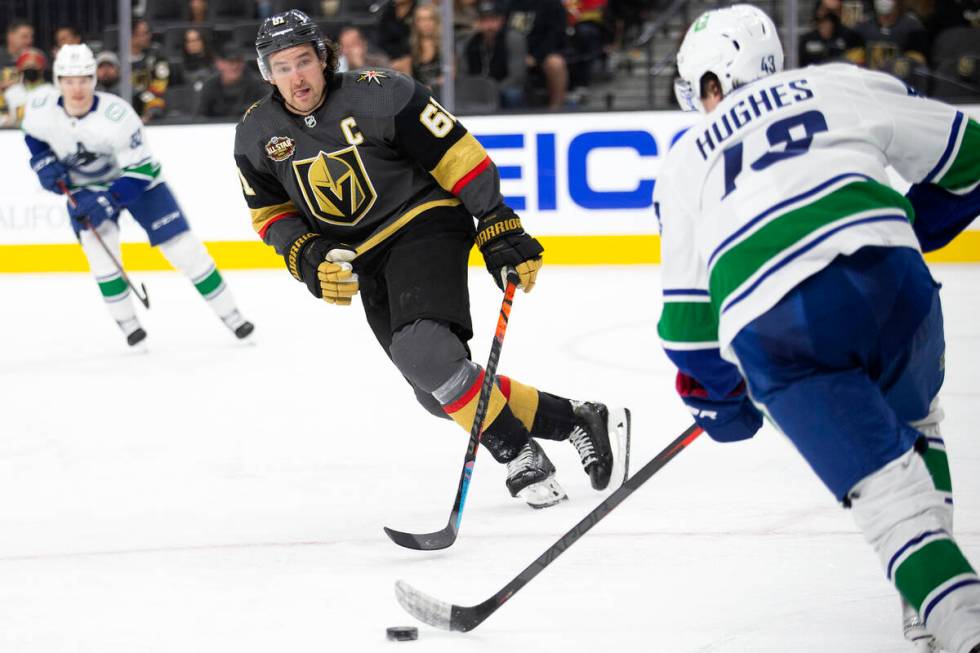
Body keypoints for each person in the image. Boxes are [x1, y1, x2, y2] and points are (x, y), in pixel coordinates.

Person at [659, 5, 980, 652]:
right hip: (896, 283)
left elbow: (689, 331)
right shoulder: (839, 81)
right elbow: (970, 157)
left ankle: (959, 620)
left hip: (782, 321)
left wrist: (725, 401)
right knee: (914, 422)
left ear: (713, 81)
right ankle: (925, 605)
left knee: (883, 486)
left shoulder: (686, 155)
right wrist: (909, 232)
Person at [233, 9, 630, 507]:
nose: (297, 76)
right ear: (268, 74)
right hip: (364, 258)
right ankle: (575, 418)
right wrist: (304, 251)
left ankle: (519, 454)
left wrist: (496, 222)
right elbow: (271, 211)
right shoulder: (255, 134)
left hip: (423, 222)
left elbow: (459, 155)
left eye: (304, 61)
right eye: (283, 67)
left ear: (324, 58)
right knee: (435, 389)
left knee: (424, 354)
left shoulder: (382, 92)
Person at [22, 44, 254, 347]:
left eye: (83, 79)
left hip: (137, 183)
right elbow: (34, 136)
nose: (76, 88)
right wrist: (42, 162)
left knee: (184, 249)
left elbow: (142, 169)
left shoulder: (117, 115)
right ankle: (129, 325)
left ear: (94, 78)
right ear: (58, 80)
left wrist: (110, 199)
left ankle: (233, 316)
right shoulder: (41, 107)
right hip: (84, 188)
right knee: (101, 255)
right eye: (68, 80)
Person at [459, 0, 527, 108]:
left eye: (493, 20)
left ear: (501, 21)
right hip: (476, 89)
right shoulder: (470, 41)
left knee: (513, 94)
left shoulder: (512, 39)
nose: (489, 25)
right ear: (478, 22)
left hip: (503, 87)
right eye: (485, 21)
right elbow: (463, 73)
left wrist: (492, 90)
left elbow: (517, 76)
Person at [507, 0, 569, 109]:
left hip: (542, 53)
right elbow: (503, 29)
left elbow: (556, 35)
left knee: (555, 64)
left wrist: (536, 56)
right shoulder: (511, 4)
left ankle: (556, 108)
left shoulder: (553, 4)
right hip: (513, 52)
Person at [196, 43, 267, 117]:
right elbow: (199, 117)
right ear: (219, 63)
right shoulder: (209, 85)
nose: (235, 66)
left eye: (239, 61)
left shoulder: (257, 85)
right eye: (230, 62)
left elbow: (266, 113)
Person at [130, 19, 171, 121]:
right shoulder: (117, 59)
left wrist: (148, 112)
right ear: (131, 36)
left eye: (148, 33)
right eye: (143, 34)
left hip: (151, 106)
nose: (149, 37)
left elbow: (160, 87)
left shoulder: (157, 55)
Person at [2, 47, 51, 127]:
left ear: (42, 69)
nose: (30, 68)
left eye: (34, 65)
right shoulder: (11, 93)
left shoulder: (51, 92)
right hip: (15, 134)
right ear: (20, 69)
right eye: (27, 65)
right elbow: (5, 119)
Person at [410, 4, 443, 93]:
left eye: (430, 19)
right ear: (416, 23)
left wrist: (432, 86)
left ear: (436, 21)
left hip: (442, 94)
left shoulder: (445, 45)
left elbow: (451, 74)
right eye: (422, 20)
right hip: (418, 95)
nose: (426, 23)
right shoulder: (410, 47)